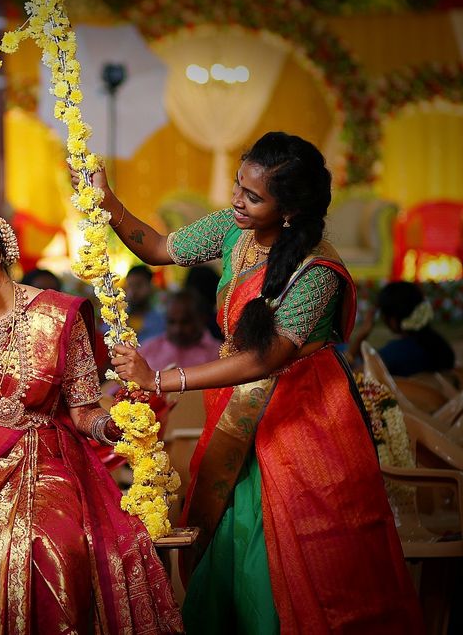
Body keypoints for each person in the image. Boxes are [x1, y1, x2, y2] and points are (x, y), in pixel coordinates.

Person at [76, 131, 423, 633]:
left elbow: (266, 358)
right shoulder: (232, 229)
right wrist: (107, 202)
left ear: (290, 209)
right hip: (236, 410)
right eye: (239, 186)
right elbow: (156, 248)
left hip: (305, 424)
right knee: (232, 537)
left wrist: (160, 380)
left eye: (253, 196)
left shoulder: (317, 270)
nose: (237, 200)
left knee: (299, 554)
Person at [0, 198, 183, 634]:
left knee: (59, 542)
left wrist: (113, 428)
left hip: (48, 459)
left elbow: (85, 411)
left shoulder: (60, 314)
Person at [347, 281, 456, 377]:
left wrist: (361, 335)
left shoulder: (394, 353)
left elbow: (350, 377)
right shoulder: (440, 347)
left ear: (393, 321)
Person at [139, 289, 221, 370]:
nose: (177, 329)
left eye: (185, 322)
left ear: (202, 319)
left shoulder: (219, 354)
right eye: (172, 322)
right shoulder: (147, 350)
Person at [125, 263, 165, 343]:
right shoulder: (117, 319)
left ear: (151, 286)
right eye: (130, 286)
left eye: (138, 285)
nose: (133, 292)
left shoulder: (161, 321)